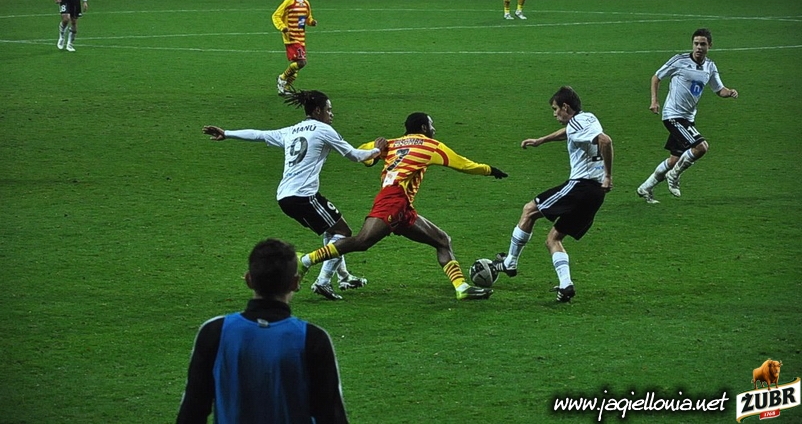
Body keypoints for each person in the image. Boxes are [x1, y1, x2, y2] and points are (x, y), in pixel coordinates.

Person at [297, 113, 508, 301]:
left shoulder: (392, 143)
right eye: (431, 125)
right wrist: (490, 170)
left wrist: (376, 149)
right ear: (424, 128)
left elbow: (362, 153)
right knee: (362, 241)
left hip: (402, 205)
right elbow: (462, 164)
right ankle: (305, 260)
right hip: (393, 200)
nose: (434, 129)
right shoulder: (430, 146)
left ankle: (461, 288)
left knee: (442, 240)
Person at [203, 89, 386, 301]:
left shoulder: (291, 130)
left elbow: (259, 135)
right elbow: (354, 156)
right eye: (328, 110)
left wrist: (227, 133)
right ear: (317, 111)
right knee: (343, 232)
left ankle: (343, 276)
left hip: (285, 196)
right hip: (303, 196)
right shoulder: (324, 130)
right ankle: (323, 281)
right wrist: (377, 150)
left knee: (332, 229)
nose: (331, 114)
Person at [176, 238, 349, 424]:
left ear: (249, 279)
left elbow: (192, 411)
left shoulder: (214, 332)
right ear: (295, 283)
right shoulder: (313, 338)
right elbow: (331, 415)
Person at [490, 86, 613, 303]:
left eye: (555, 109)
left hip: (580, 186)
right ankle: (566, 286)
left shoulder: (578, 124)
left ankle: (510, 262)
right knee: (553, 239)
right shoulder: (588, 118)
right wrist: (541, 140)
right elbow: (570, 132)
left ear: (565, 107)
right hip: (595, 195)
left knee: (529, 210)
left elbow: (606, 141)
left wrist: (608, 175)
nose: (554, 114)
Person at [636, 28, 739, 203]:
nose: (699, 47)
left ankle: (645, 187)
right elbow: (656, 77)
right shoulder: (679, 61)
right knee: (701, 147)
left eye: (703, 44)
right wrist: (654, 101)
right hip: (673, 116)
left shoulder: (710, 66)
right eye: (696, 43)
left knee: (674, 160)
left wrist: (729, 92)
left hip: (688, 118)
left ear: (710, 45)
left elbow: (719, 89)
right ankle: (673, 176)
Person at [273, 0, 317, 96]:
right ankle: (282, 78)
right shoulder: (289, 2)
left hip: (301, 37)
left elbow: (307, 18)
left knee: (297, 65)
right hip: (291, 37)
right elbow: (276, 15)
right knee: (302, 62)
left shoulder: (306, 3)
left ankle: (285, 88)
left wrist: (312, 22)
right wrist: (282, 27)